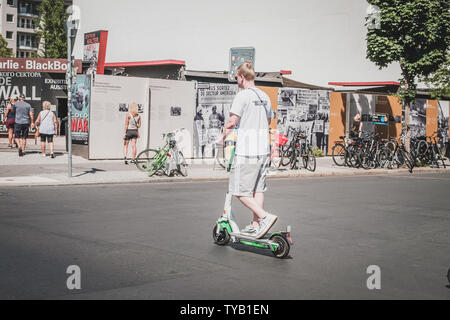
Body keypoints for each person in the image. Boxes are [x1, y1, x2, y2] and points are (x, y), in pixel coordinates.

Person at [217, 63, 278, 239]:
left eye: (237, 77)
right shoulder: (265, 97)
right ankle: (255, 225)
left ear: (242, 77)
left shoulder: (242, 96)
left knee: (238, 191)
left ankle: (265, 218)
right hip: (262, 150)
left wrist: (221, 138)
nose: (237, 80)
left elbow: (231, 122)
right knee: (257, 189)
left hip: (247, 151)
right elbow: (267, 122)